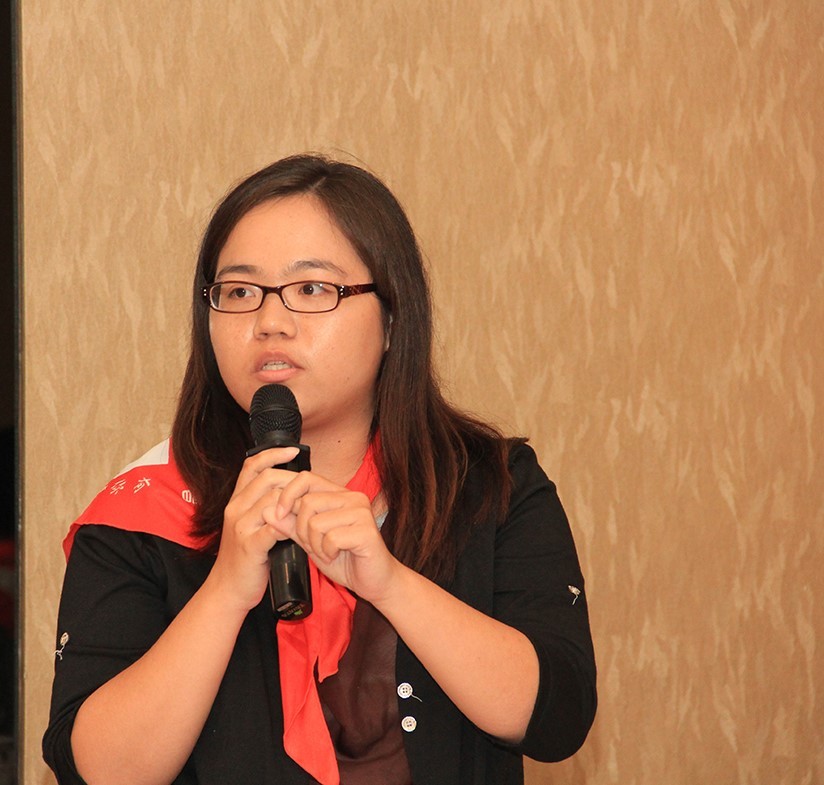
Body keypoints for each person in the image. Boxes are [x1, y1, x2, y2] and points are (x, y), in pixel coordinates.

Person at [43, 154, 596, 785]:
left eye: (311, 289)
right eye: (240, 292)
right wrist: (225, 591)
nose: (270, 323)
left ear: (393, 318)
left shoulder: (489, 484)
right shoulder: (145, 511)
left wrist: (391, 585)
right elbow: (97, 771)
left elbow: (558, 718)